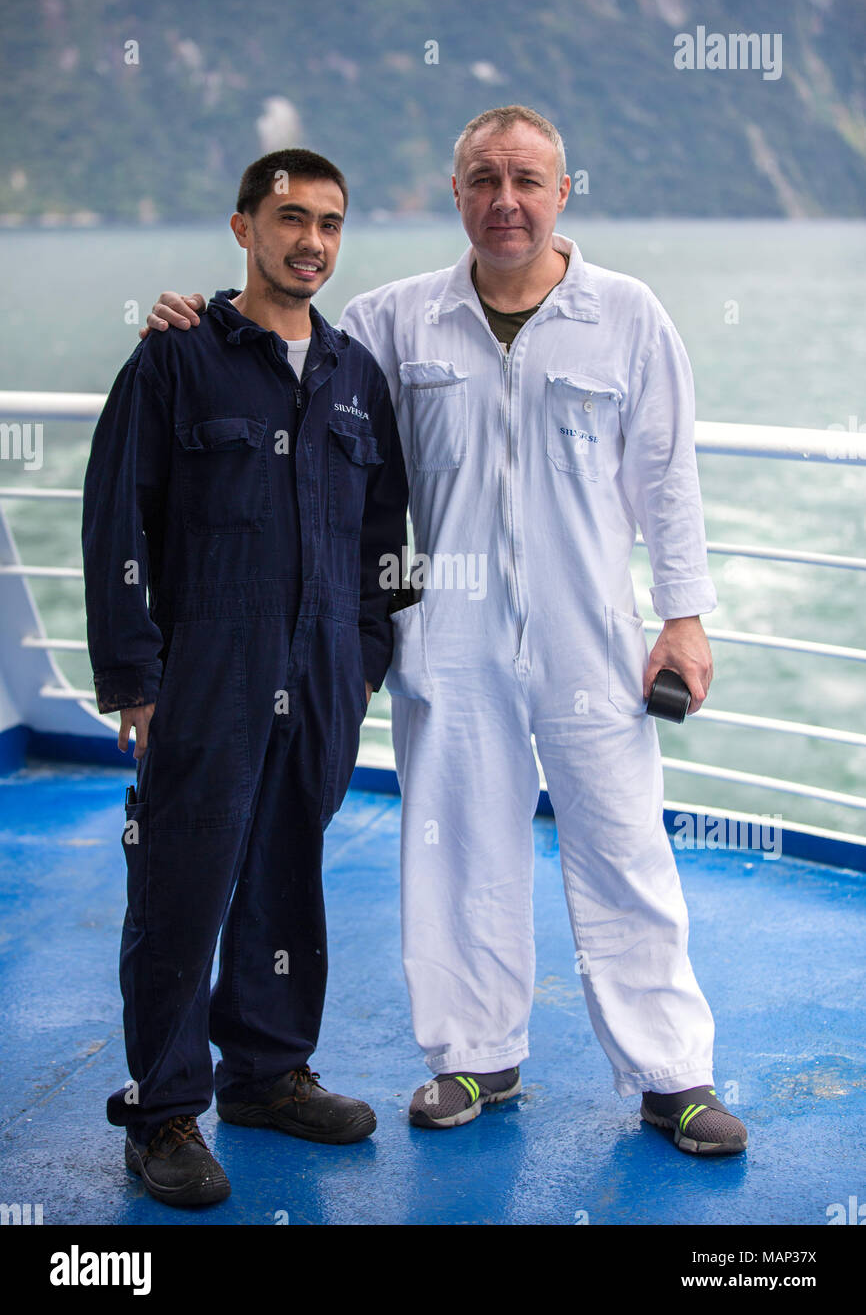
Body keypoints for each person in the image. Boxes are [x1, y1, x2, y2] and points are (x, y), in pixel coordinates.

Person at [143, 107, 747, 1157]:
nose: (503, 201)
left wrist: (682, 619)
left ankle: (671, 1075)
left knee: (623, 842)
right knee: (456, 848)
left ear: (563, 192)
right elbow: (285, 342)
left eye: (525, 180)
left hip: (589, 632)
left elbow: (666, 480)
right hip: (448, 629)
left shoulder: (628, 315)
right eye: (481, 180)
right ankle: (473, 1056)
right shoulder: (394, 321)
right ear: (453, 192)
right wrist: (195, 322)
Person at [82, 148, 409, 1207]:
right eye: (288, 218)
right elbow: (114, 521)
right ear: (242, 229)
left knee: (283, 873)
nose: (309, 241)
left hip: (319, 671)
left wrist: (362, 653)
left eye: (328, 222)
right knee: (181, 883)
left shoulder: (356, 375)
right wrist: (134, 671)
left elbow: (382, 536)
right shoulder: (176, 359)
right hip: (207, 668)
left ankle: (267, 1074)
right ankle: (165, 1111)